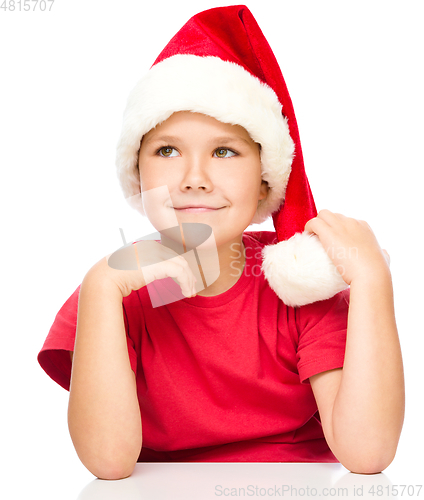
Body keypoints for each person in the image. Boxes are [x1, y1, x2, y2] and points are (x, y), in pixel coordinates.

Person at [37, 5, 404, 480]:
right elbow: (108, 464)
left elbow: (368, 454)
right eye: (167, 150)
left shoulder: (300, 284)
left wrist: (372, 280)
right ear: (137, 172)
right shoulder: (117, 290)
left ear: (265, 181)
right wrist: (102, 289)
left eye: (224, 151)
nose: (194, 178)